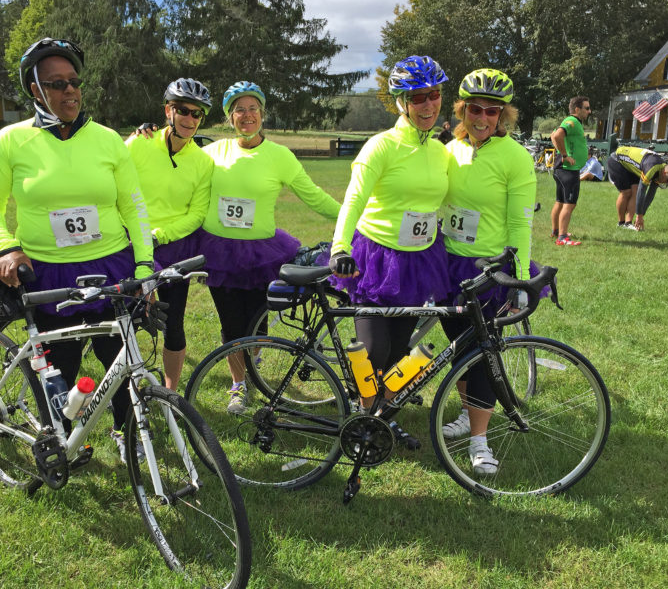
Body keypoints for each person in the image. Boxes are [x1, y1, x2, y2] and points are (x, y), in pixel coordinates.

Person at [0, 38, 153, 464]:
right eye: (56, 84)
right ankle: (64, 438)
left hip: (110, 266)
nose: (69, 91)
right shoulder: (11, 140)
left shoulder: (107, 141)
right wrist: (7, 247)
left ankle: (127, 435)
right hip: (48, 272)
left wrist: (144, 264)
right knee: (60, 366)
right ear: (35, 89)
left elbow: (135, 206)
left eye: (74, 82)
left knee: (119, 359)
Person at [330, 56, 452, 449]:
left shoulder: (442, 152)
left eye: (434, 95)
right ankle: (364, 419)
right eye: (418, 98)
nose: (429, 105)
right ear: (402, 102)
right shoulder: (381, 146)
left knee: (402, 354)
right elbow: (353, 199)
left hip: (418, 260)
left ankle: (379, 419)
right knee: (373, 348)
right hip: (376, 257)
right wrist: (339, 246)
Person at [198, 81, 341, 414]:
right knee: (231, 324)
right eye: (239, 110)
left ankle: (254, 367)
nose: (246, 116)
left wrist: (352, 218)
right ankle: (238, 384)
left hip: (262, 254)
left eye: (253, 109)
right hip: (221, 253)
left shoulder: (279, 156)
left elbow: (314, 196)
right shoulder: (212, 153)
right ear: (229, 117)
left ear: (262, 113)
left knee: (259, 324)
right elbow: (176, 171)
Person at [438, 68, 537, 474]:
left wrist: (520, 281)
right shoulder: (450, 149)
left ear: (504, 116)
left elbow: (521, 223)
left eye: (492, 112)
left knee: (484, 354)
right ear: (462, 110)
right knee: (460, 349)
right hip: (445, 263)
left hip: (490, 269)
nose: (482, 118)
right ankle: (466, 414)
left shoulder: (515, 157)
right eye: (474, 109)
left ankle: (480, 440)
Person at [125, 78, 214, 391]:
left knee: (172, 323)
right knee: (128, 322)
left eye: (197, 114)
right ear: (168, 110)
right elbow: (114, 185)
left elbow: (197, 214)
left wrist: (158, 235)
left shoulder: (204, 163)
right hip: (130, 245)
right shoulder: (139, 143)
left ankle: (169, 392)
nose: (190, 119)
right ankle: (126, 387)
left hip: (174, 247)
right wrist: (139, 234)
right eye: (183, 110)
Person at [550, 96, 591, 246]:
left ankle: (556, 231)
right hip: (568, 170)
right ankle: (562, 238)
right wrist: (565, 155)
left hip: (564, 169)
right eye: (586, 108)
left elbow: (553, 135)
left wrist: (562, 152)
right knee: (569, 203)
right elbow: (557, 135)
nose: (589, 111)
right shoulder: (572, 121)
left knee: (560, 201)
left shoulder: (573, 123)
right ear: (577, 109)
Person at [607, 145, 668, 231]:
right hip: (617, 160)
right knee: (626, 192)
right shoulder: (651, 168)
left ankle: (628, 223)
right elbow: (642, 191)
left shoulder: (661, 171)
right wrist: (639, 215)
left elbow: (650, 196)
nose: (666, 183)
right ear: (665, 172)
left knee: (635, 190)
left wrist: (641, 216)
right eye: (667, 180)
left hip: (632, 166)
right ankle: (621, 223)